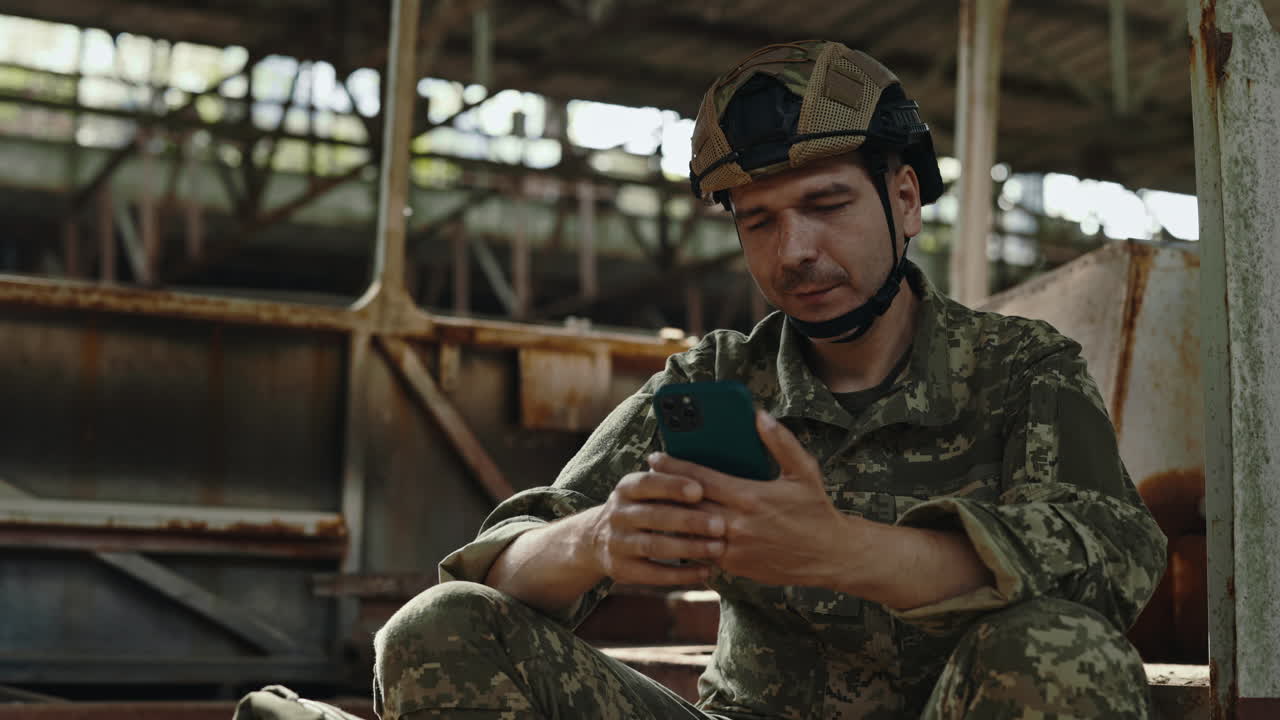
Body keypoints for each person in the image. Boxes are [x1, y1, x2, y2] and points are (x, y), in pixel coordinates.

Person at [373, 40, 1167, 719]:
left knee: (1060, 651)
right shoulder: (716, 379)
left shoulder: (1019, 369)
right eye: (760, 220)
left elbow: (1113, 557)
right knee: (437, 628)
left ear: (904, 197)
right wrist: (596, 538)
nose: (794, 252)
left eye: (827, 205)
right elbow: (499, 565)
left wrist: (840, 551)